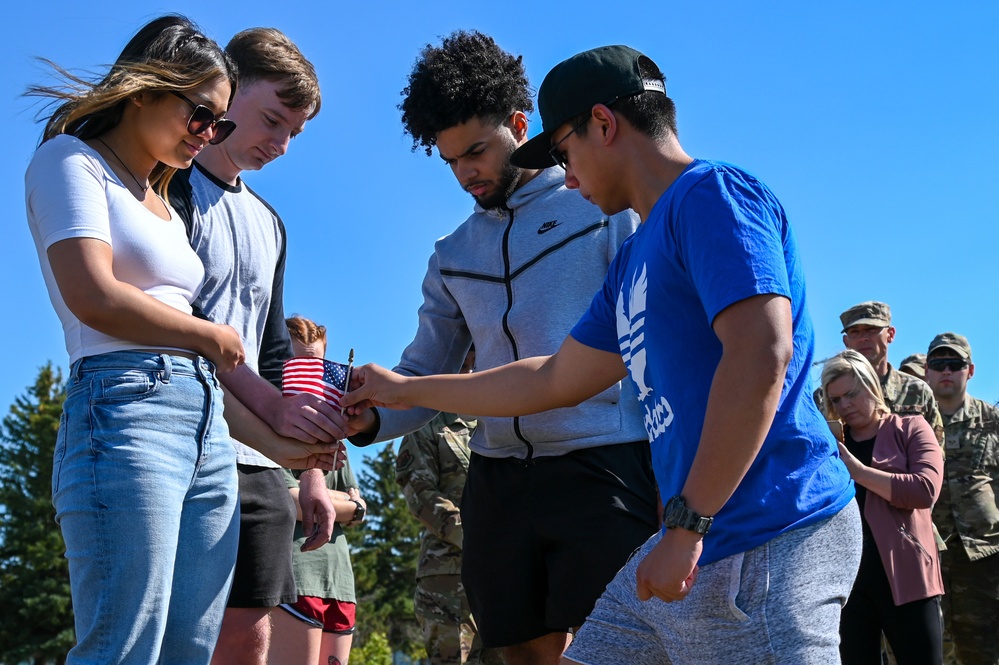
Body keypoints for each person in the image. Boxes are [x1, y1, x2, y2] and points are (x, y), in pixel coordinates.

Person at [344, 44, 860, 664]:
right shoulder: (634, 262)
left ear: (604, 125)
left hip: (768, 527)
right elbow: (551, 378)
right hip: (694, 533)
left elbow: (761, 353)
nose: (567, 175)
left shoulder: (713, 195)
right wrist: (402, 390)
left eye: (564, 153)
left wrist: (687, 523)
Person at [24, 16, 335, 664]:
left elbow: (243, 357)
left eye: (219, 123)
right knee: (123, 646)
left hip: (208, 430)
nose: (209, 135)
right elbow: (92, 295)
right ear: (145, 92)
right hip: (124, 408)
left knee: (188, 652)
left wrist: (299, 449)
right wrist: (210, 336)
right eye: (202, 116)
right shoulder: (69, 161)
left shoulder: (161, 196)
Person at [346, 31, 657, 665]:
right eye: (451, 160)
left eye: (478, 151)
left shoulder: (602, 209)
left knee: (617, 652)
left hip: (604, 461)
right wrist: (373, 416)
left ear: (520, 124)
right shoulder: (452, 254)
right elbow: (421, 376)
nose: (466, 173)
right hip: (497, 481)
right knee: (517, 657)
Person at [167, 28, 339, 665]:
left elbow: (275, 356)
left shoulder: (271, 223)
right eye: (272, 120)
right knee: (171, 637)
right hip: (177, 442)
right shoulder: (165, 188)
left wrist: (312, 473)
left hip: (259, 464)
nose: (281, 144)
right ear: (225, 88)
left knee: (249, 642)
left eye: (294, 132)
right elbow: (174, 322)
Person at [821, 350, 944, 664]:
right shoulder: (829, 444)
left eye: (851, 394)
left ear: (872, 387)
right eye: (835, 400)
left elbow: (925, 489)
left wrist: (858, 472)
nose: (845, 405)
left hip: (908, 579)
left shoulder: (911, 427)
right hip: (847, 586)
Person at [395, 348, 503, 665]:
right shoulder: (427, 421)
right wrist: (473, 537)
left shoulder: (504, 421)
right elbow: (419, 490)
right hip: (449, 578)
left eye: (476, 350)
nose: (470, 360)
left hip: (507, 573)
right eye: (463, 351)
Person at [270, 316, 363, 665]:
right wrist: (346, 504)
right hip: (294, 579)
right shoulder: (266, 428)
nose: (311, 376)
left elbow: (359, 507)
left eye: (318, 365)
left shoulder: (334, 434)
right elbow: (291, 501)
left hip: (339, 581)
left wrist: (348, 505)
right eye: (299, 365)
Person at [924, 332, 999, 664]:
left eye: (954, 364)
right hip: (928, 555)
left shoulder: (992, 421)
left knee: (984, 649)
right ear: (927, 371)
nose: (946, 371)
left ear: (969, 370)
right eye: (938, 364)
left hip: (983, 556)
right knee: (934, 648)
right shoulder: (914, 422)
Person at [818, 301, 943, 438]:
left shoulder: (918, 391)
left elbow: (935, 451)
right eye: (855, 332)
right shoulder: (825, 396)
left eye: (871, 329)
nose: (863, 338)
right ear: (846, 342)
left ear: (890, 334)